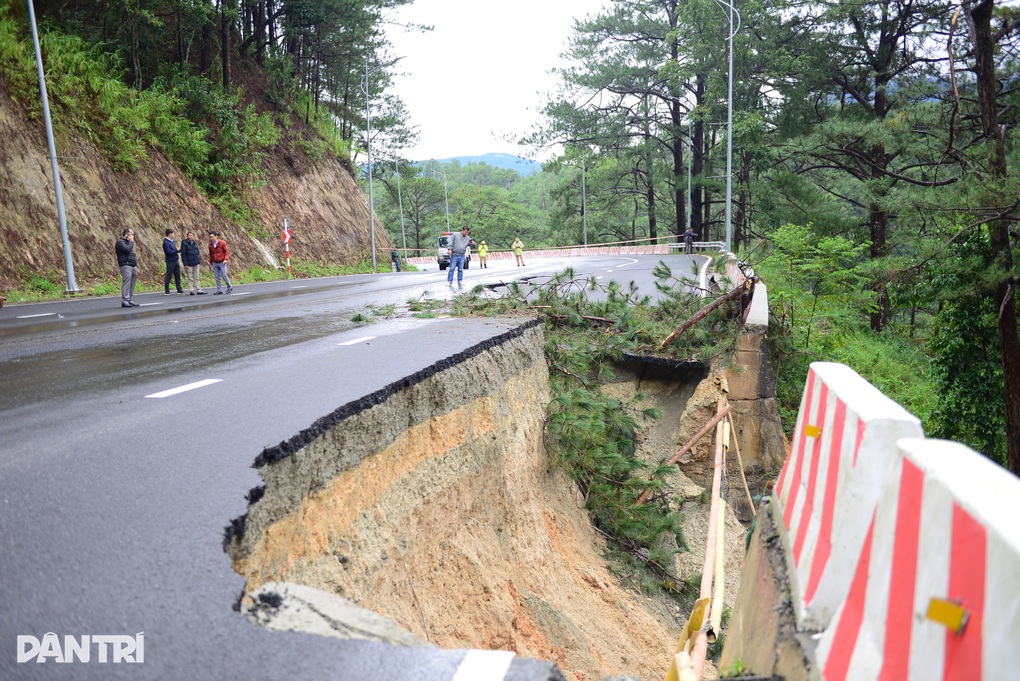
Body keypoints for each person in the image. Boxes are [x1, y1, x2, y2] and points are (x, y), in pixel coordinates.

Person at [115, 228, 139, 307]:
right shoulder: (120, 242)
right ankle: (125, 300)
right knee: (127, 282)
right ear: (126, 235)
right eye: (131, 234)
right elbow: (127, 250)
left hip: (132, 264)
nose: (133, 236)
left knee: (132, 282)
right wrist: (131, 241)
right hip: (125, 264)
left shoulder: (128, 243)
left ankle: (130, 299)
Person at [181, 230, 206, 295]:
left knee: (197, 277)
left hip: (196, 262)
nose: (190, 236)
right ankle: (191, 290)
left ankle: (199, 290)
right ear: (187, 236)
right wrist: (185, 263)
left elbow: (197, 252)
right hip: (189, 263)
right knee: (190, 277)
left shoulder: (195, 243)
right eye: (189, 235)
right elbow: (183, 254)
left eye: (192, 235)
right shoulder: (184, 243)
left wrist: (198, 260)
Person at [163, 229, 184, 295]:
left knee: (177, 275)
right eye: (173, 234)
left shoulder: (172, 241)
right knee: (169, 275)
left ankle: (179, 288)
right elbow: (168, 252)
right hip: (170, 261)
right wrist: (176, 250)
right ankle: (167, 290)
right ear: (169, 234)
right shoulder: (166, 242)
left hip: (175, 259)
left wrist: (179, 250)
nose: (174, 235)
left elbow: (174, 250)